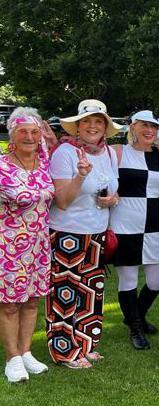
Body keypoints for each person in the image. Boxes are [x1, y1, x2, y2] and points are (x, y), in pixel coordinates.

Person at [47, 99, 121, 369]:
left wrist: (111, 200)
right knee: (66, 293)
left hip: (97, 234)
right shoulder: (65, 153)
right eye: (87, 121)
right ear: (78, 126)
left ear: (105, 126)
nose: (93, 126)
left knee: (91, 292)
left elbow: (114, 191)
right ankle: (65, 351)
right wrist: (79, 177)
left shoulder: (109, 153)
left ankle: (86, 344)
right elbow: (62, 201)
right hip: (68, 233)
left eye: (98, 121)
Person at [1, 108, 54, 382]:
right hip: (9, 247)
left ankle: (25, 353)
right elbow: (19, 196)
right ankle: (11, 358)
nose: (30, 136)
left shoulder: (43, 163)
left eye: (34, 132)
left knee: (32, 301)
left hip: (38, 245)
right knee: (10, 304)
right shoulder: (2, 166)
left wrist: (48, 138)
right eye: (23, 131)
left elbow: (50, 144)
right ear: (12, 134)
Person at [111, 111, 159, 350]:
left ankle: (135, 315)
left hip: (153, 224)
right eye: (144, 125)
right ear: (133, 127)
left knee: (157, 280)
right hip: (124, 223)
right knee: (129, 279)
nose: (149, 130)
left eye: (153, 126)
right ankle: (136, 328)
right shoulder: (117, 152)